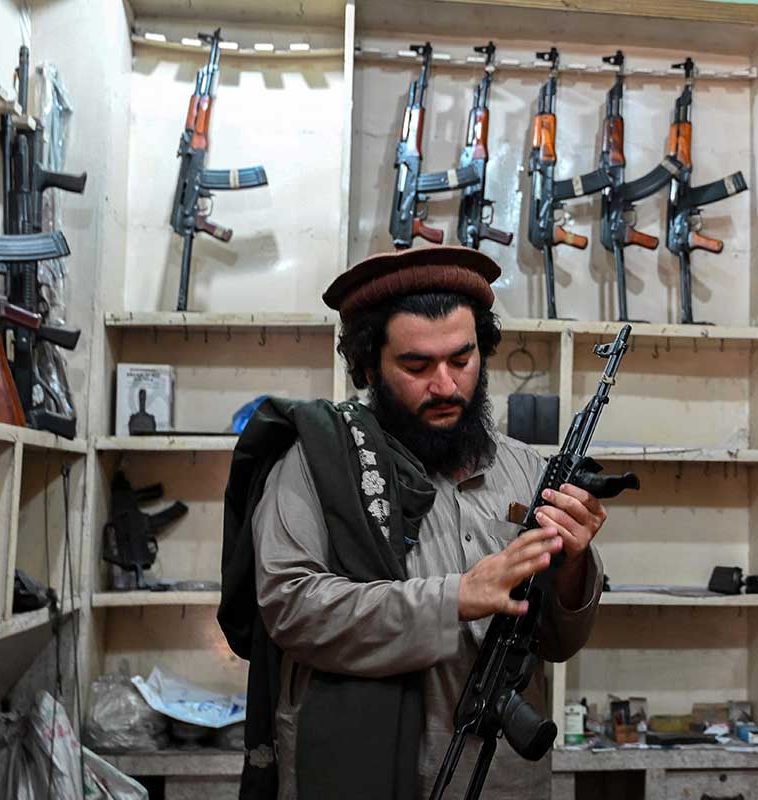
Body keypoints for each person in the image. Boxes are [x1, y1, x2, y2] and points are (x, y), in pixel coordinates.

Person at [218, 246, 607, 800]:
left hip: (500, 778)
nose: (446, 386)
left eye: (462, 359)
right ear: (369, 365)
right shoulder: (313, 464)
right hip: (354, 776)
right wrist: (454, 598)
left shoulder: (527, 469)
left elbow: (556, 641)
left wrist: (572, 567)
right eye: (417, 366)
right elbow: (290, 605)